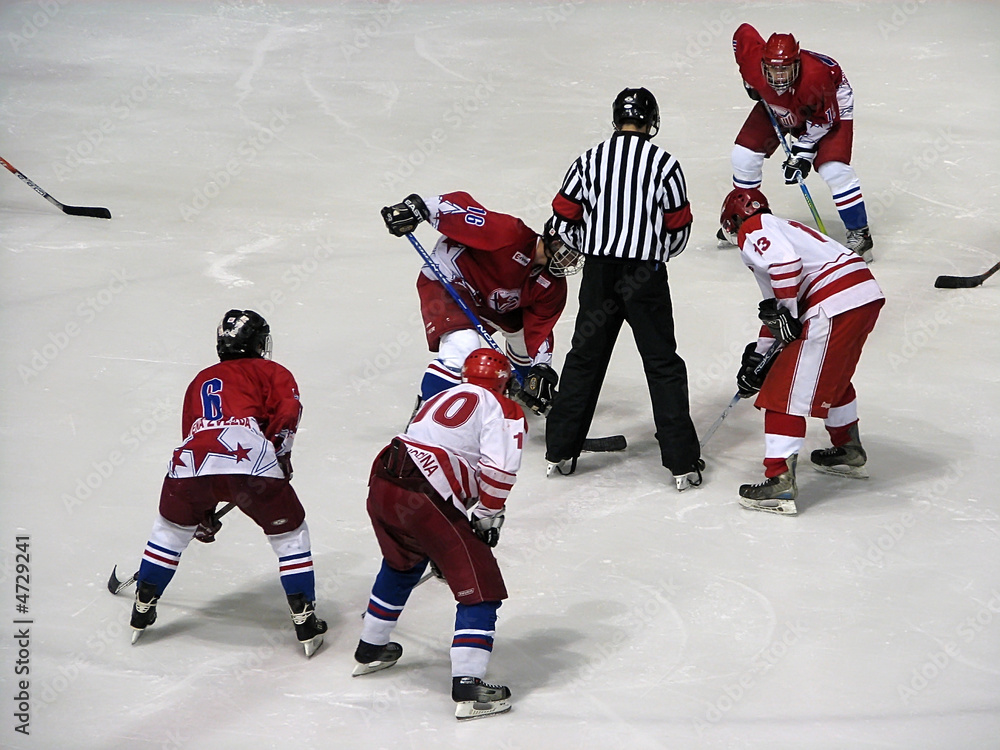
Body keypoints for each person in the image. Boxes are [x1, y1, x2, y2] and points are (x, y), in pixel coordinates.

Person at [128, 310, 327, 657]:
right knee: (289, 534)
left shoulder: (201, 379)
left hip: (191, 463)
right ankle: (304, 618)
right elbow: (287, 412)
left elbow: (193, 434)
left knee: (170, 531)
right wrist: (279, 455)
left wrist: (200, 512)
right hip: (250, 459)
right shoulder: (272, 371)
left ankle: (142, 607)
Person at [544, 87, 703, 491]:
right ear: (652, 122)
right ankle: (682, 462)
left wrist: (590, 245)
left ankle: (560, 451)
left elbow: (562, 216)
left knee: (584, 358)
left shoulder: (589, 159)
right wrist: (655, 254)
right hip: (645, 276)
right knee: (662, 363)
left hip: (599, 274)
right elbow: (678, 227)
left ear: (617, 119)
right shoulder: (665, 163)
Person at [353, 348, 525, 720]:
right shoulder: (502, 407)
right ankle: (469, 687)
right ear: (503, 383)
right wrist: (486, 515)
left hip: (385, 476)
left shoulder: (441, 396)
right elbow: (499, 472)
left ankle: (371, 647)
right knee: (480, 585)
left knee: (402, 562)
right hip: (425, 493)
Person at [719, 187, 885, 515]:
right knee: (832, 377)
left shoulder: (754, 228)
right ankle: (847, 449)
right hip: (861, 295)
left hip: (832, 302)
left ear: (733, 222)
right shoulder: (783, 228)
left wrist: (787, 315)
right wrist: (759, 360)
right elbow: (775, 307)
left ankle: (779, 481)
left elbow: (785, 267)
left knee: (782, 392)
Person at [380, 190, 581, 416]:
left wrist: (540, 369)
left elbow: (540, 330)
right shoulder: (510, 234)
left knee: (525, 340)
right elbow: (462, 208)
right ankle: (425, 416)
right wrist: (418, 207)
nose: (574, 262)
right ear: (555, 241)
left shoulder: (553, 285)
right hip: (451, 280)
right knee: (463, 346)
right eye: (572, 253)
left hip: (488, 299)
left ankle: (523, 388)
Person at [728, 23, 874, 262]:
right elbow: (742, 33)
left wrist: (802, 153)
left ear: (796, 65)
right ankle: (747, 221)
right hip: (783, 102)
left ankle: (860, 234)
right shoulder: (753, 63)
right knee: (743, 155)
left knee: (833, 169)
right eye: (773, 70)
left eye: (785, 70)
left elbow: (825, 121)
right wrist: (750, 82)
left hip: (829, 101)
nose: (779, 77)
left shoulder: (816, 77)